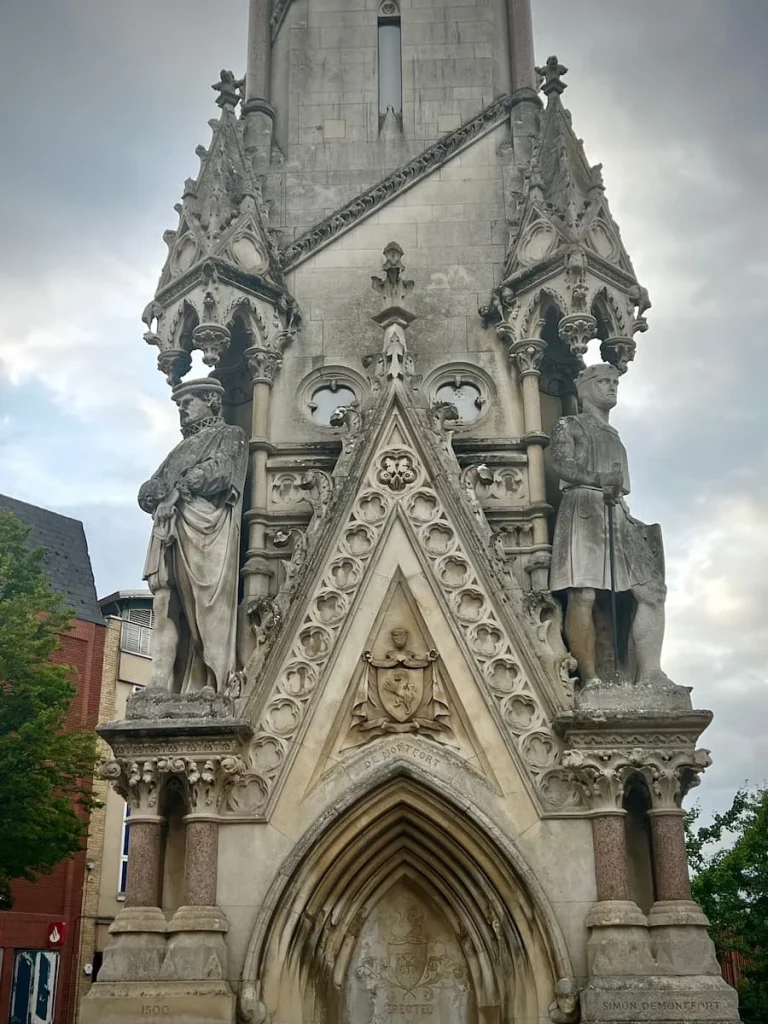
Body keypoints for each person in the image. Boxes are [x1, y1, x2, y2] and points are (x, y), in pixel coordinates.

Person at [549, 364, 667, 688]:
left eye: (615, 382)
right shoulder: (569, 424)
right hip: (584, 508)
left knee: (652, 591)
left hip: (616, 513)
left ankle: (651, 674)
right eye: (603, 381)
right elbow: (561, 463)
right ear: (585, 388)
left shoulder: (614, 435)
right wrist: (597, 479)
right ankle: (590, 678)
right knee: (583, 593)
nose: (612, 387)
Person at [138, 378, 248, 693]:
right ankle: (160, 682)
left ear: (212, 400)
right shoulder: (179, 449)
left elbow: (221, 472)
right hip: (170, 528)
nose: (182, 409)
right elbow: (149, 489)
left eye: (188, 402)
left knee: (206, 605)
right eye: (179, 405)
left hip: (205, 530)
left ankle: (214, 680)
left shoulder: (230, 436)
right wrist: (158, 493)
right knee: (164, 602)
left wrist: (177, 490)